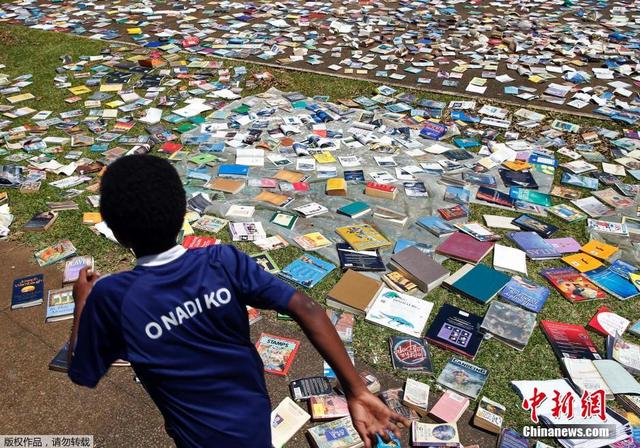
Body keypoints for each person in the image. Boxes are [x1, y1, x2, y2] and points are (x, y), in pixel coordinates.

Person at [67, 154, 407, 448]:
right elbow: (306, 307)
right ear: (183, 210)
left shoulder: (112, 297)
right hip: (253, 414)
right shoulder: (222, 261)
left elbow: (82, 372)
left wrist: (82, 303)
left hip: (198, 437)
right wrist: (356, 389)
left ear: (115, 231)